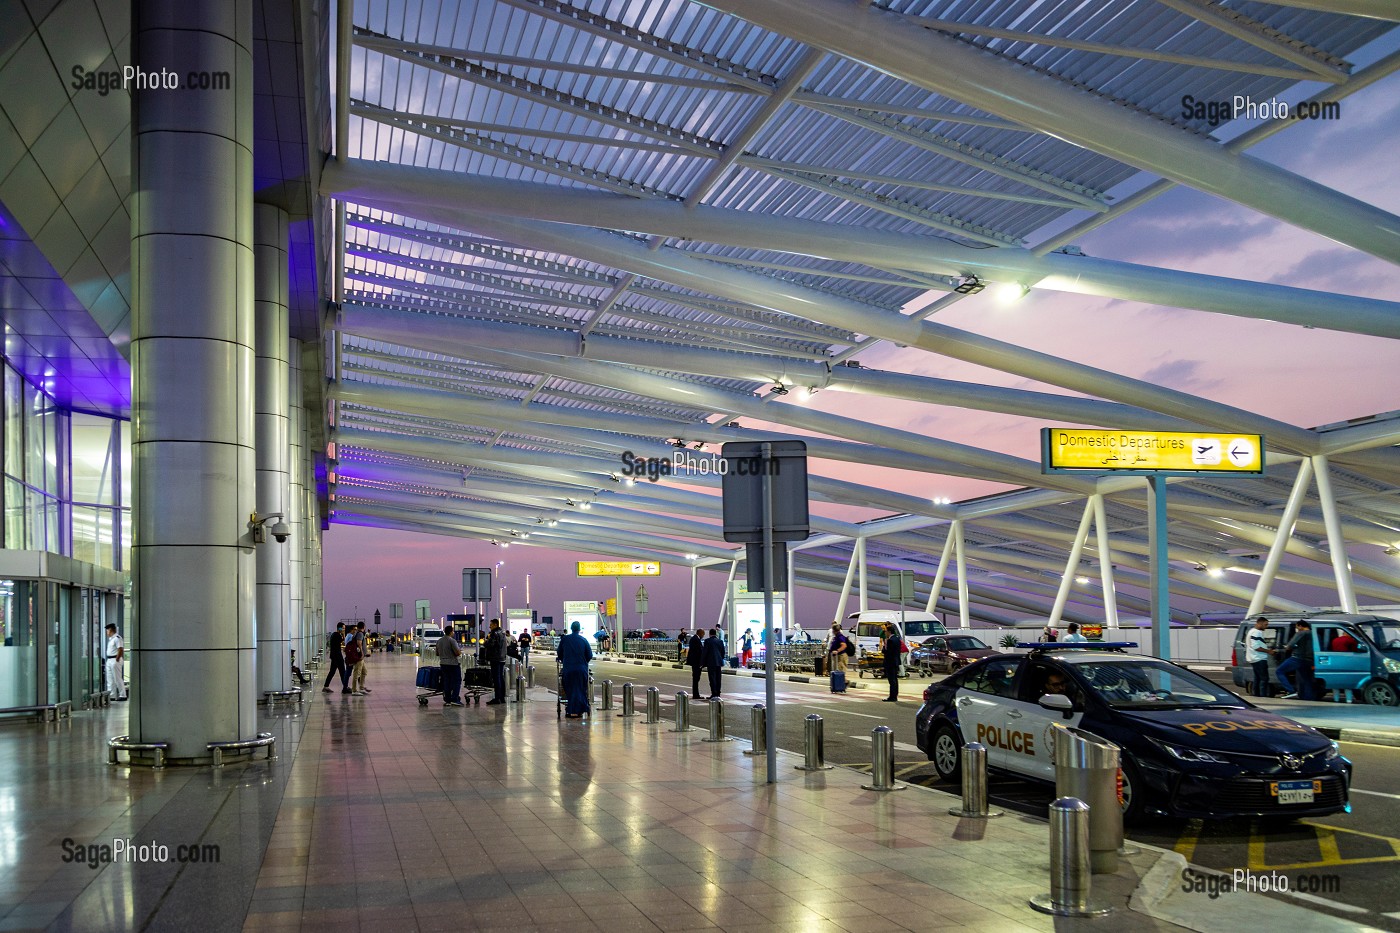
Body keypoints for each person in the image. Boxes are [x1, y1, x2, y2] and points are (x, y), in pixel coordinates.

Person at [559, 620, 593, 718]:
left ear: (571, 628)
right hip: (581, 669)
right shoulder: (583, 640)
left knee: (569, 689)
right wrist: (583, 662)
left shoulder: (565, 639)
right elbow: (589, 655)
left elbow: (559, 653)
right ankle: (581, 708)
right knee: (581, 689)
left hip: (568, 669)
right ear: (579, 629)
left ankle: (572, 709)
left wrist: (564, 660)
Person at [1275, 620, 1316, 700]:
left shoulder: (1300, 633)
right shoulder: (1314, 634)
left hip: (1297, 658)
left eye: (1297, 627)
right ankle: (1309, 698)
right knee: (1307, 679)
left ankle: (1291, 691)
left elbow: (1290, 645)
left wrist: (1286, 647)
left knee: (1279, 671)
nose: (1297, 629)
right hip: (1309, 660)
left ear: (1300, 626)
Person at [1245, 617, 1274, 697]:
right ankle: (1262, 696)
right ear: (1259, 623)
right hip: (1259, 658)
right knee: (1264, 679)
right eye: (1265, 624)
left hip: (1254, 658)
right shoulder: (1256, 632)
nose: (1266, 626)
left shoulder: (1251, 631)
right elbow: (1256, 647)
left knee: (1257, 678)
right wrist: (1269, 651)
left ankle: (1256, 695)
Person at [484, 619, 510, 705]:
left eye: (491, 625)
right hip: (502, 657)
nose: (489, 626)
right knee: (501, 677)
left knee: (496, 678)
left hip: (495, 658)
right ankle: (502, 698)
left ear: (495, 625)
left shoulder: (494, 633)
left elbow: (490, 644)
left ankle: (497, 698)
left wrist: (486, 641)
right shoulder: (502, 632)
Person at [436, 628, 463, 707]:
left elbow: (437, 653)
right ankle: (455, 699)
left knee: (446, 681)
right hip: (453, 664)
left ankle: (447, 699)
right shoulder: (452, 640)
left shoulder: (439, 641)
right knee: (457, 681)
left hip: (443, 663)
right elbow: (457, 653)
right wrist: (460, 651)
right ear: (451, 632)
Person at [322, 622, 350, 694]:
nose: (344, 629)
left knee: (332, 671)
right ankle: (345, 687)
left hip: (334, 656)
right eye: (343, 628)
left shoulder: (334, 634)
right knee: (342, 671)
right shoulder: (337, 635)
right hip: (337, 656)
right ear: (339, 628)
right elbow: (343, 642)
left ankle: (326, 686)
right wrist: (343, 634)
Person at [346, 622, 371, 695]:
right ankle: (354, 690)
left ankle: (362, 688)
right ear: (363, 627)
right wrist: (362, 653)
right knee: (357, 673)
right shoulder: (360, 634)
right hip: (359, 657)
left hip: (361, 657)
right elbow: (359, 643)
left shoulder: (357, 634)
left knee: (364, 672)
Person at [881, 623, 903, 702]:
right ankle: (895, 695)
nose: (885, 633)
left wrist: (884, 647)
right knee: (895, 679)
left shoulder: (890, 640)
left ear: (889, 632)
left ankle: (892, 697)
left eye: (886, 631)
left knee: (891, 680)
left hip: (890, 662)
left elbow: (887, 652)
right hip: (896, 661)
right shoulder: (897, 639)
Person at [105, 623, 127, 701]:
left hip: (115, 660)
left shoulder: (117, 638)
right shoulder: (111, 639)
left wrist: (117, 659)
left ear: (110, 630)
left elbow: (120, 649)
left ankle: (123, 695)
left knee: (117, 678)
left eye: (107, 630)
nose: (107, 632)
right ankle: (112, 695)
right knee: (110, 679)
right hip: (110, 660)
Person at [702, 627, 725, 700]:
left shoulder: (707, 641)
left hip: (711, 662)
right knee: (718, 678)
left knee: (712, 678)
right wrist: (720, 659)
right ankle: (718, 693)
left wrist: (702, 662)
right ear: (716, 634)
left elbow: (705, 652)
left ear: (709, 634)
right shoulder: (720, 641)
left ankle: (714, 693)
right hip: (718, 662)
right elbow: (723, 652)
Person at [687, 629, 705, 697]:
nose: (703, 636)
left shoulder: (694, 639)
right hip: (696, 662)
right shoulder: (695, 639)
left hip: (695, 662)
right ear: (700, 633)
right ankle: (695, 694)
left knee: (696, 678)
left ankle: (696, 694)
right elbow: (698, 651)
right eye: (703, 634)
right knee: (696, 678)